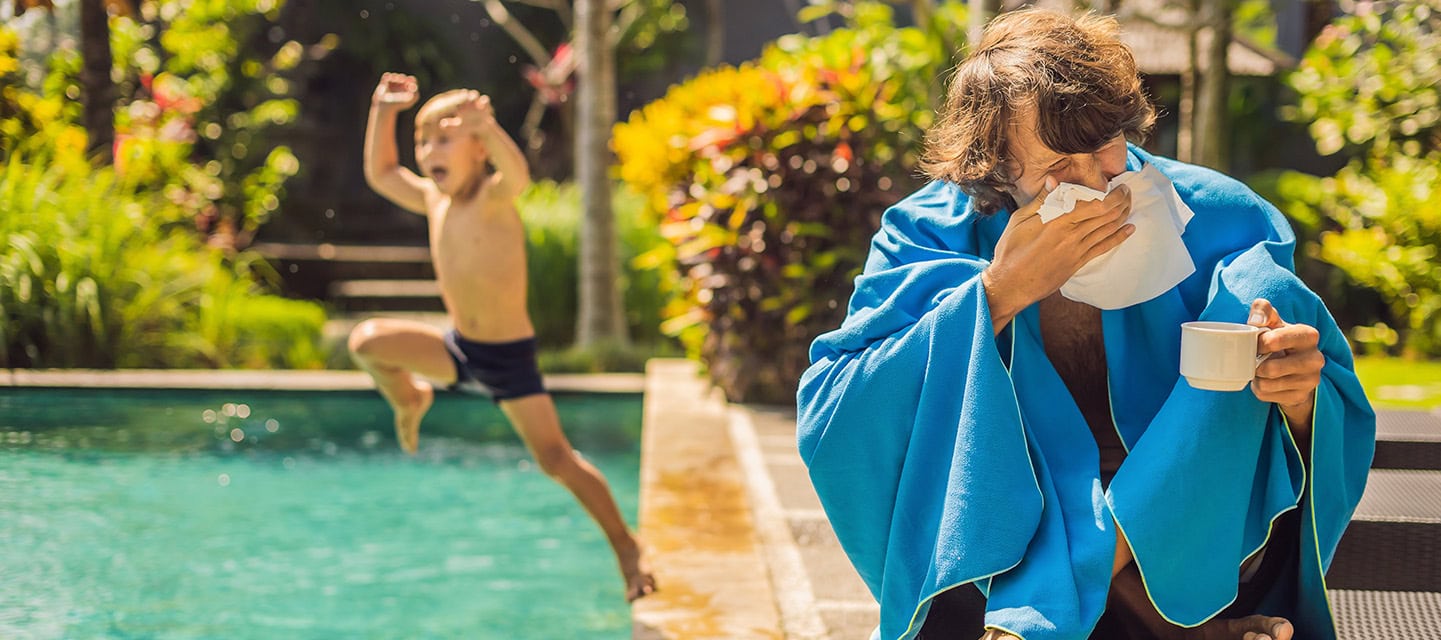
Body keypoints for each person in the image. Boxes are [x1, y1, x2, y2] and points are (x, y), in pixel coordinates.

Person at [796, 10, 1374, 640]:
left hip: (1191, 546)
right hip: (1002, 551)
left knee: (1263, 298)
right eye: (1058, 165)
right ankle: (1167, 631)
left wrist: (1299, 400)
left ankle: (1048, 617)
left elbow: (1323, 422)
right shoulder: (930, 233)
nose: (1096, 182)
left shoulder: (1223, 219)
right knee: (1026, 472)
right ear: (996, 165)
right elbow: (836, 407)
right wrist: (997, 295)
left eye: (1103, 145)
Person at [349, 72, 655, 602]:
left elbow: (518, 173)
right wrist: (384, 110)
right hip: (458, 348)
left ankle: (627, 548)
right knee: (366, 342)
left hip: (508, 359)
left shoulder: (493, 197)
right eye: (423, 141)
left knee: (556, 460)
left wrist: (487, 127)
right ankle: (409, 399)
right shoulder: (433, 199)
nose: (429, 152)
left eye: (445, 139)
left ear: (478, 151)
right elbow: (381, 172)